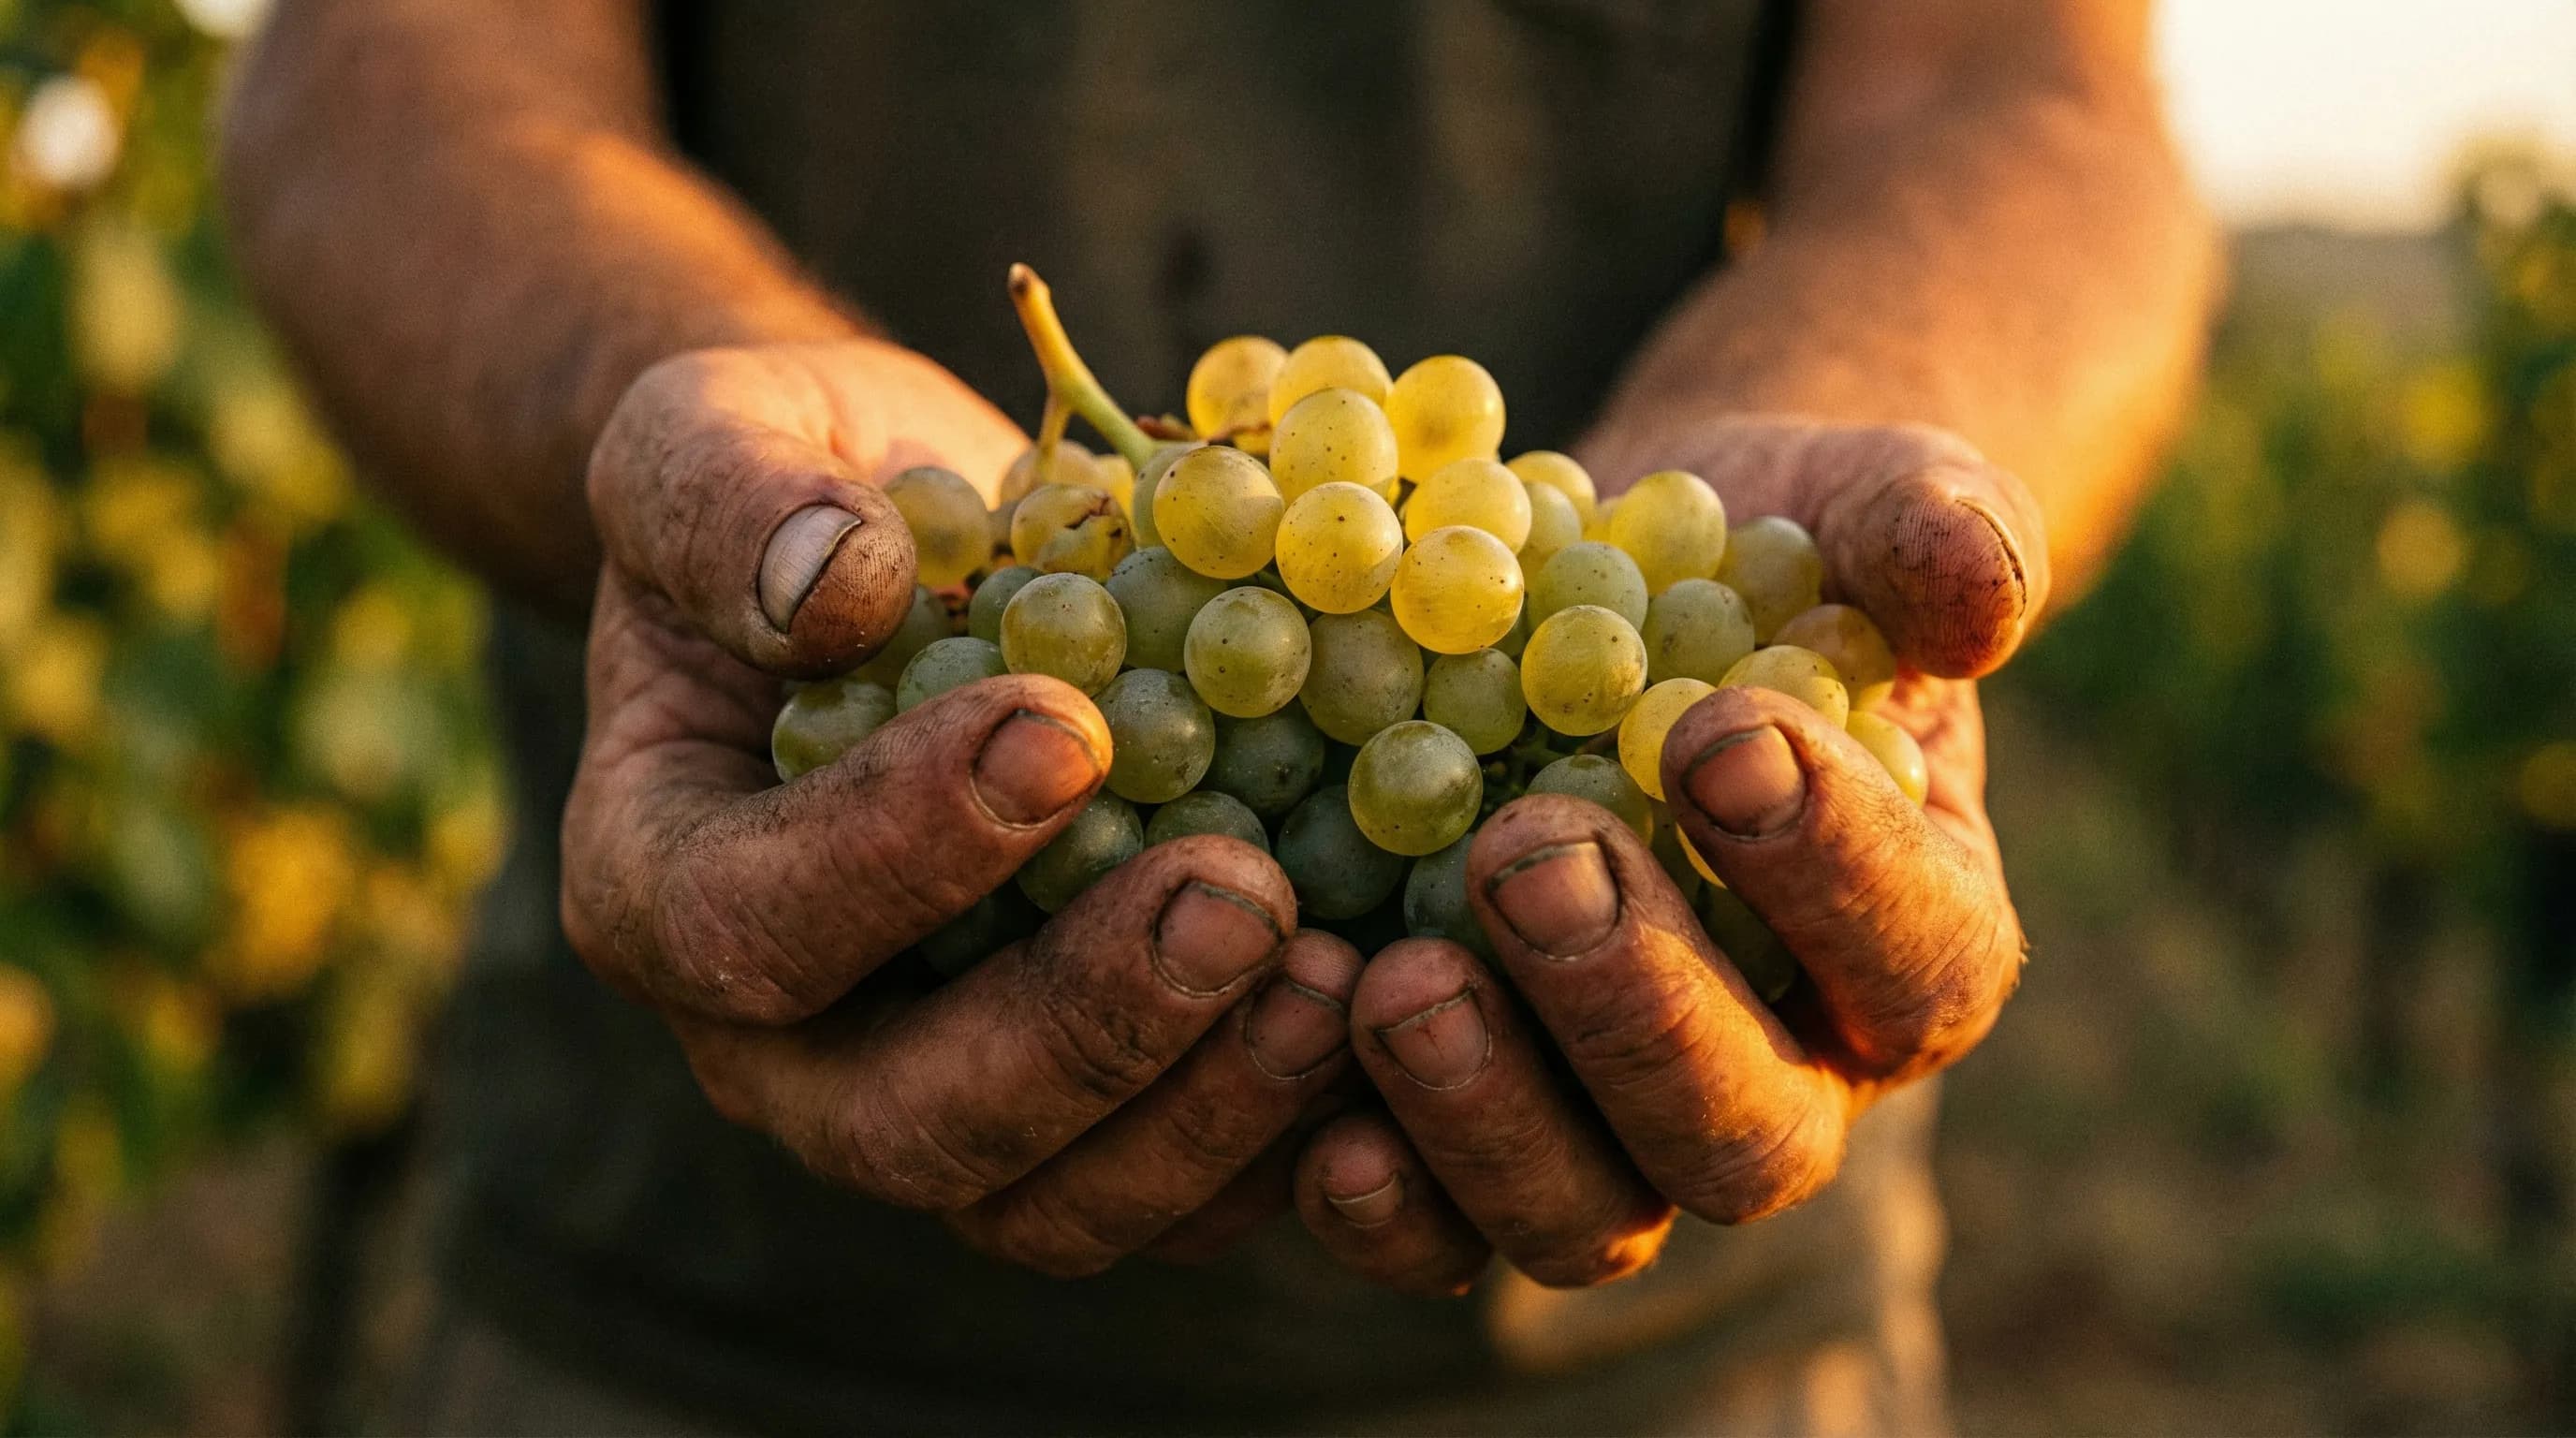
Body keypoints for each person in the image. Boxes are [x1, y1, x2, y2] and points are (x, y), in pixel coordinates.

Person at [221, 1, 2216, 1431]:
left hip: (1696, 1366)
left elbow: (2016, 84)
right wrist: (682, 423)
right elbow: (389, 67)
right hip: (675, 1322)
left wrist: (1866, 414)